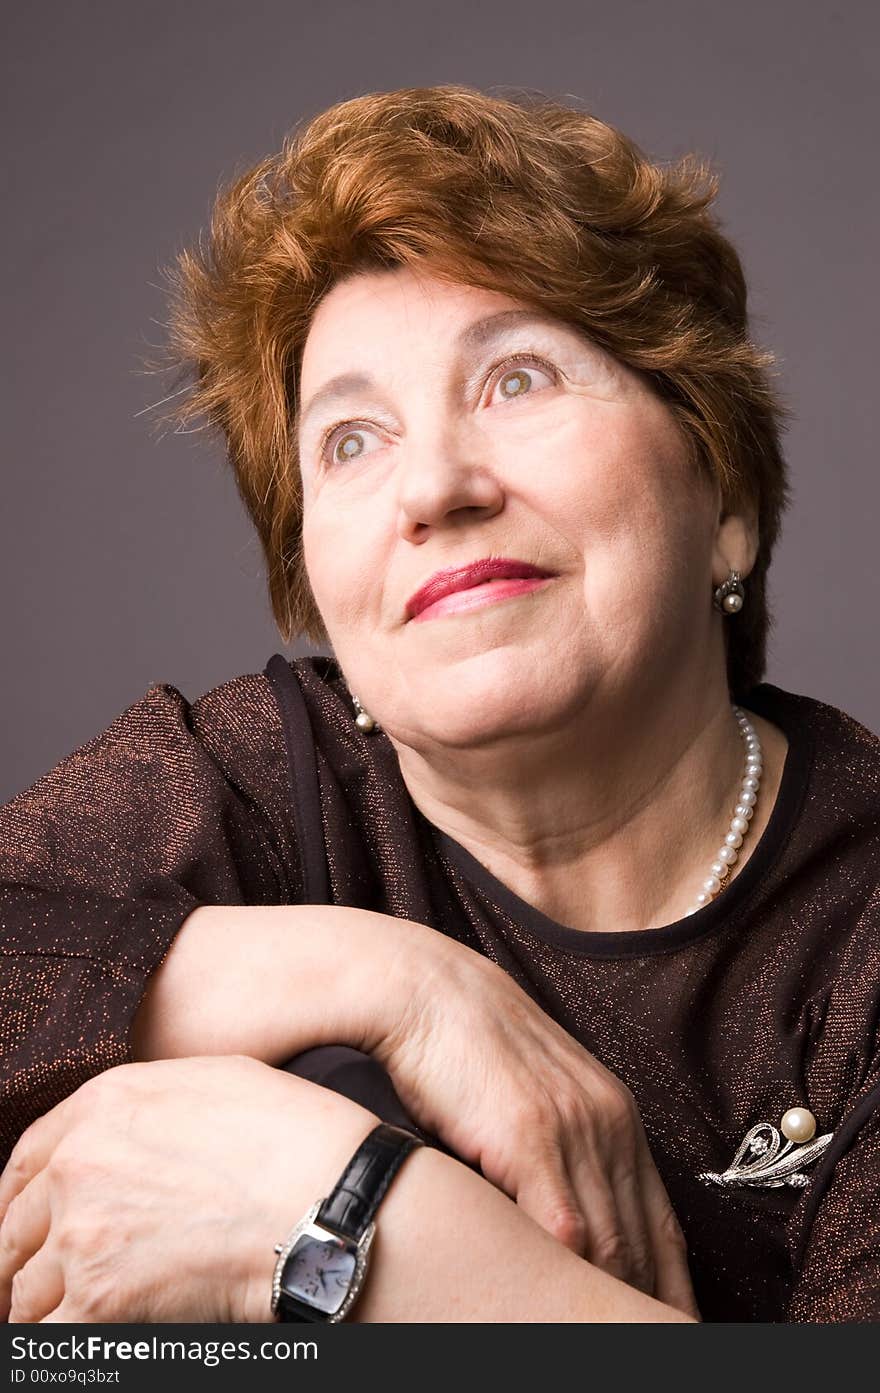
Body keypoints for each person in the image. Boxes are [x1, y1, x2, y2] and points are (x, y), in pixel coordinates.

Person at [1, 84, 878, 1326]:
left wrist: (344, 1218)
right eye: (350, 439)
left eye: (516, 379)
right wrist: (401, 984)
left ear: (723, 496)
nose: (432, 487)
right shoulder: (242, 784)